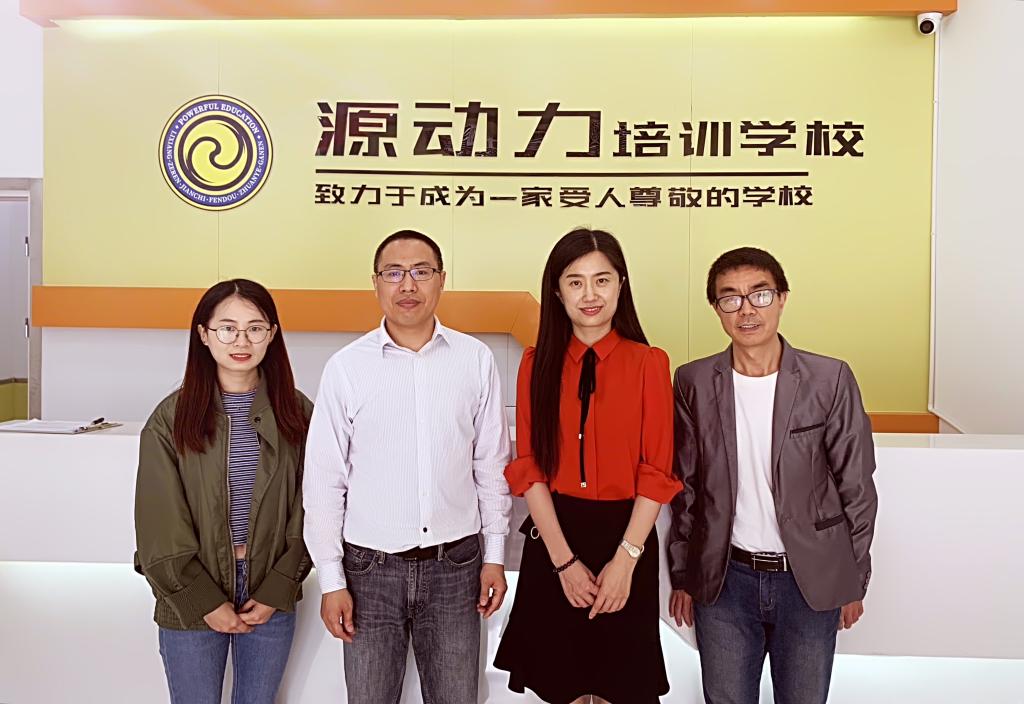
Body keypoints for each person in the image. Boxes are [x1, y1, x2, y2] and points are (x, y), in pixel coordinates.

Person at [303, 229, 512, 704]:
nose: (408, 285)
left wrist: (495, 556)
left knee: (458, 699)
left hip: (457, 566)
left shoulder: (475, 360)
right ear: (376, 283)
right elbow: (324, 482)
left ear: (441, 280)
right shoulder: (346, 368)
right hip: (369, 570)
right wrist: (332, 580)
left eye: (421, 271)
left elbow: (491, 465)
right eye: (394, 273)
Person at [667, 247, 878, 704]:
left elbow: (857, 487)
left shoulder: (829, 378)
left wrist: (852, 578)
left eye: (759, 294)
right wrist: (682, 576)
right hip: (724, 580)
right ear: (716, 309)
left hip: (808, 580)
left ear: (782, 298)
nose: (746, 310)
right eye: (730, 298)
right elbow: (685, 488)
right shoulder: (693, 381)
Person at [494, 227, 682, 704]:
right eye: (575, 282)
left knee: (623, 687)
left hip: (627, 538)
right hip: (555, 537)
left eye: (602, 280)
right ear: (557, 293)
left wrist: (626, 561)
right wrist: (563, 563)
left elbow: (656, 474)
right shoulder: (536, 364)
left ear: (621, 285)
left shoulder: (649, 363)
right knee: (561, 686)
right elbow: (530, 469)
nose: (590, 294)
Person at [134, 279, 313, 704]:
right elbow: (159, 523)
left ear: (272, 334)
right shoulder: (171, 418)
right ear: (203, 334)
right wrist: (201, 600)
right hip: (191, 592)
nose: (241, 341)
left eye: (255, 328)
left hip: (269, 589)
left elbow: (313, 507)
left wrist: (278, 588)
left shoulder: (298, 412)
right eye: (227, 328)